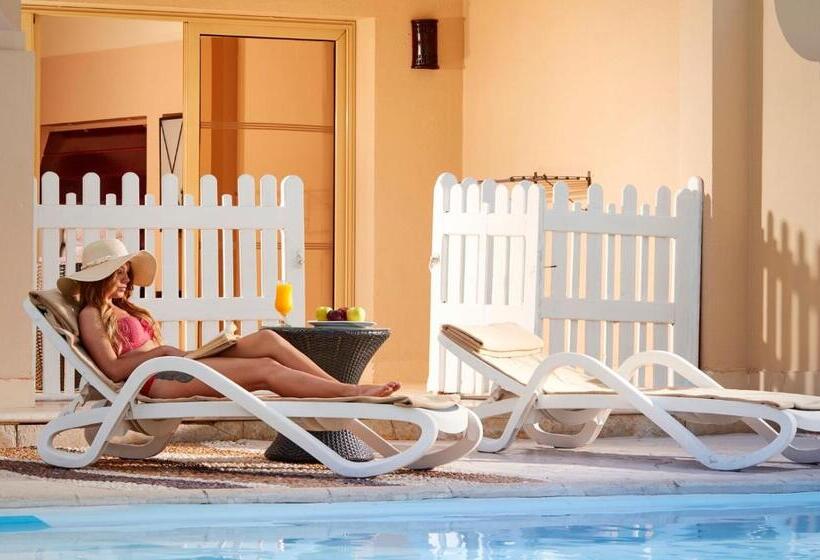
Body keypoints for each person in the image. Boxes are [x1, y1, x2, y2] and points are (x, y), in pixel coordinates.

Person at [57, 239, 400, 400]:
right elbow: (113, 370)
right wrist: (160, 353)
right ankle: (351, 392)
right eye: (118, 273)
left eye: (127, 273)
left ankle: (341, 390)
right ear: (99, 277)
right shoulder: (91, 314)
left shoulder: (126, 309)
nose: (126, 280)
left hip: (176, 364)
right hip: (158, 380)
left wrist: (169, 354)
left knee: (267, 339)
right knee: (265, 369)